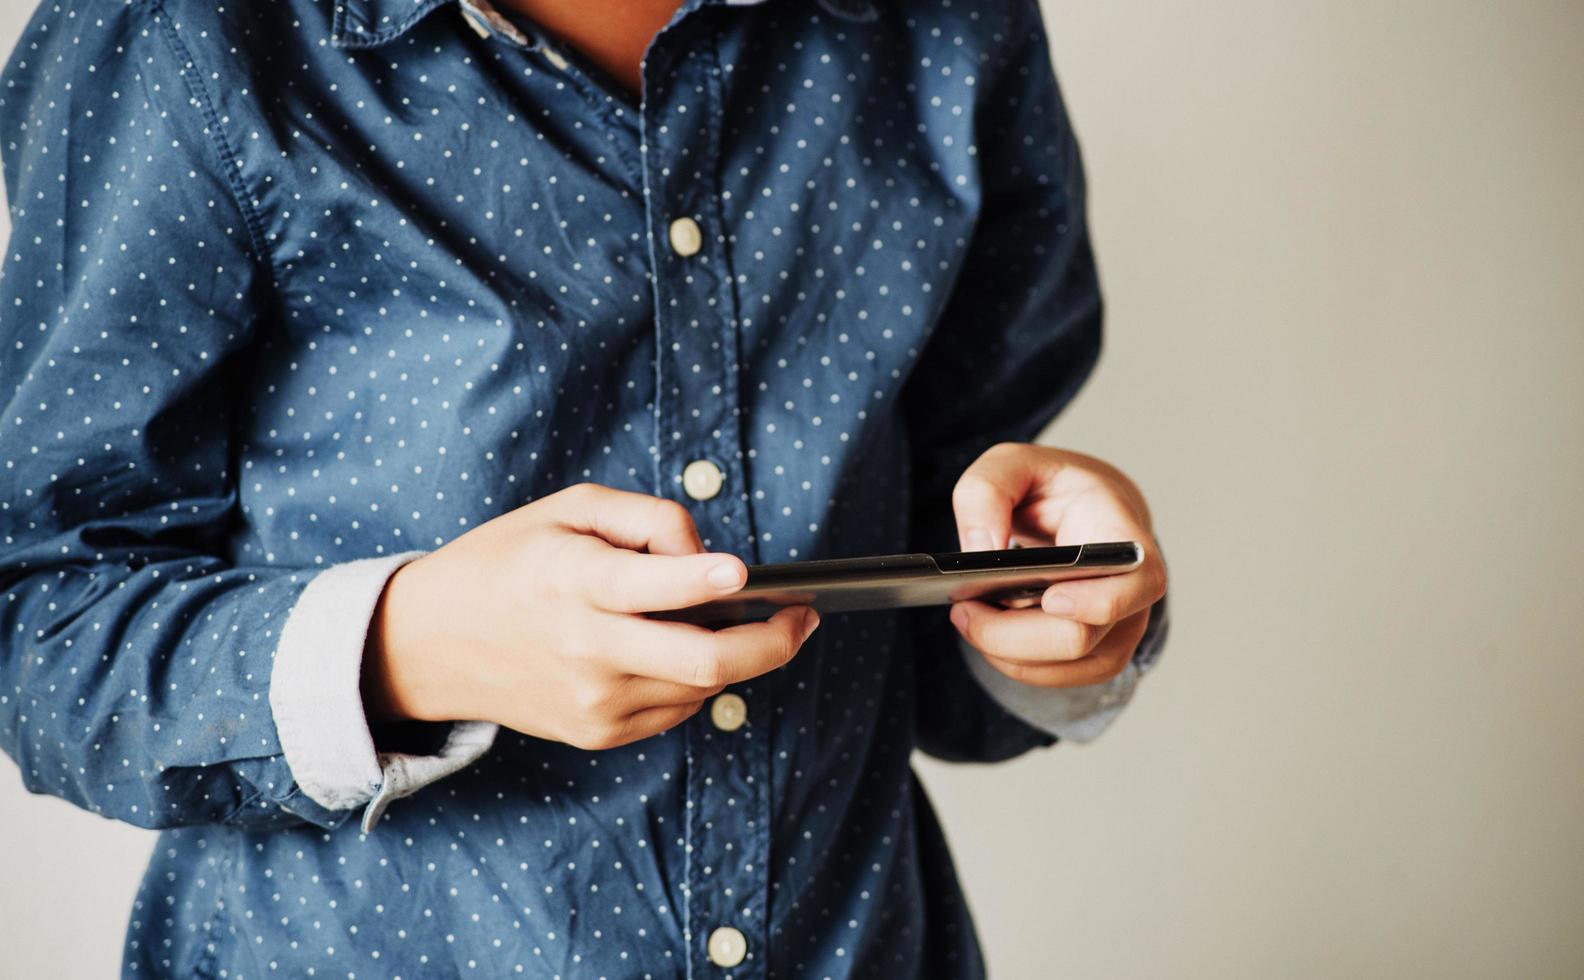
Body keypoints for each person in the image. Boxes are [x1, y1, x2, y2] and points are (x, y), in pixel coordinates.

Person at [0, 0, 1169, 975]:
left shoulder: (951, 28)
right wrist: (417, 645)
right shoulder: (180, 37)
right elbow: (41, 620)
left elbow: (952, 548)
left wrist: (1056, 608)